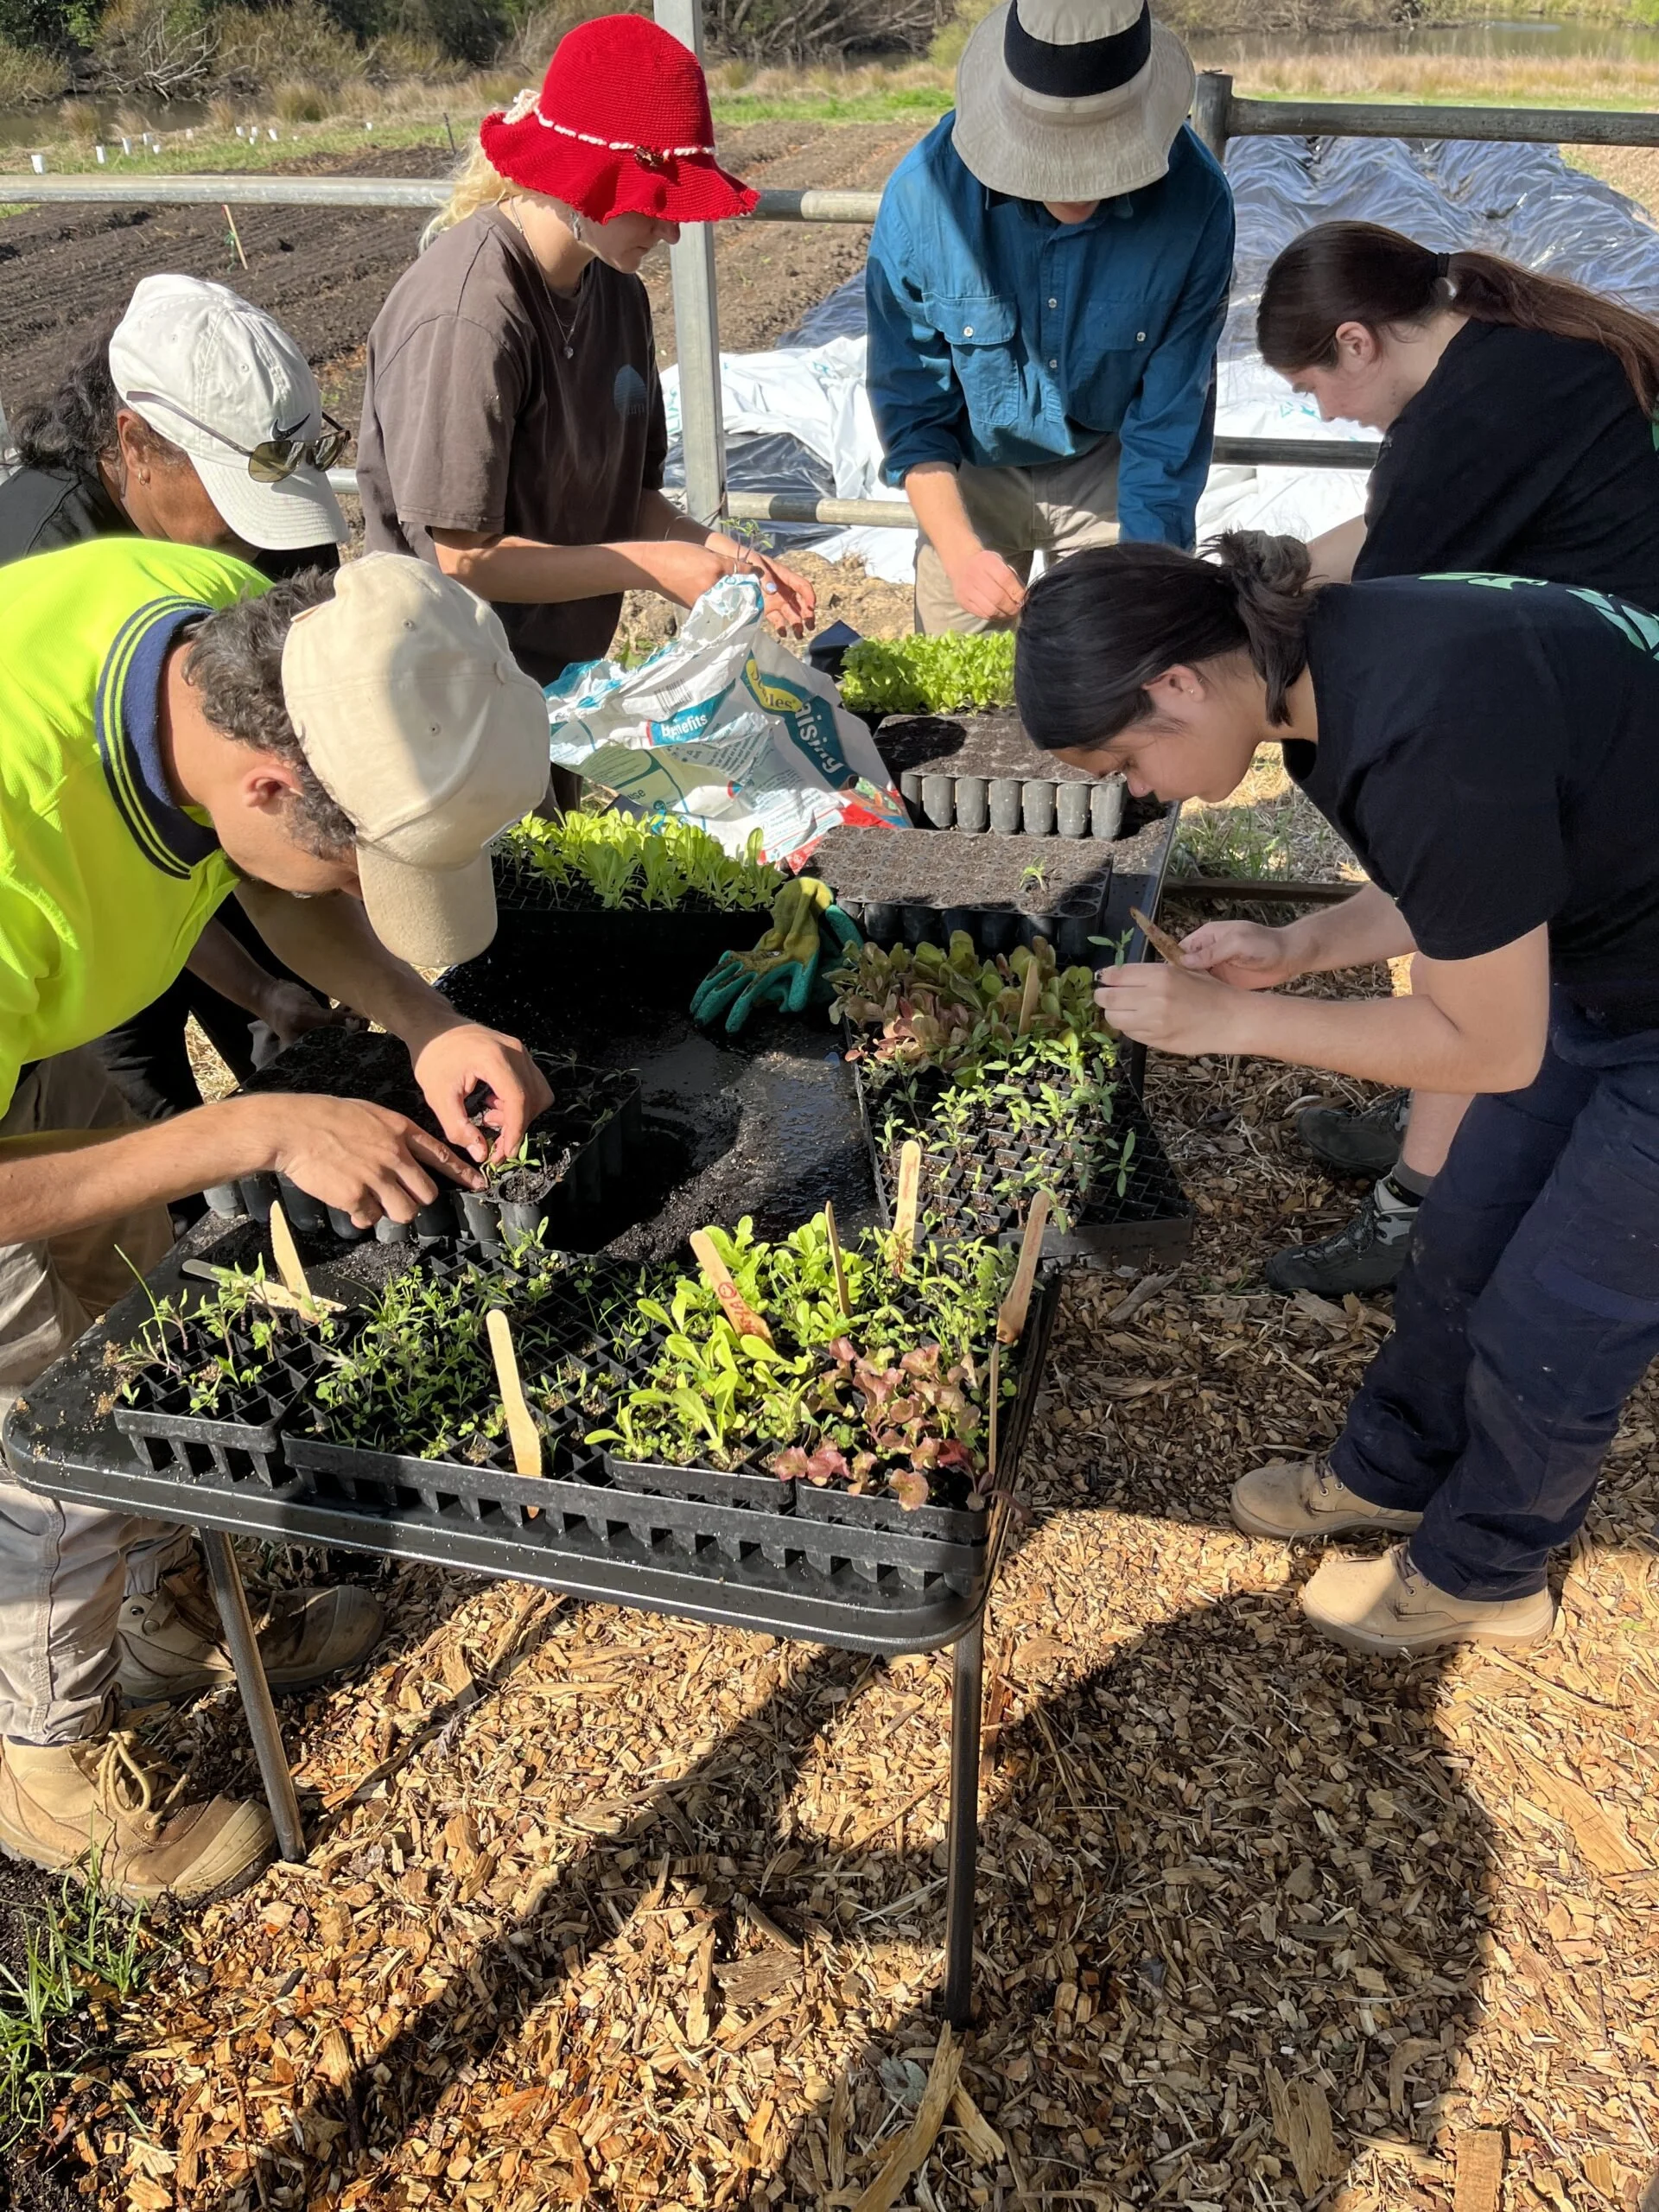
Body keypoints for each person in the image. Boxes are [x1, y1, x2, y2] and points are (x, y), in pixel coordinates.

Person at [0, 537, 551, 1897]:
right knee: (44, 1425)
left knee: (135, 1330)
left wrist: (425, 1019)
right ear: (270, 783)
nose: (363, 899)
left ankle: (165, 1624)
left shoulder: (232, 640)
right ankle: (39, 1764)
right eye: (361, 864)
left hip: (30, 1019)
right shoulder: (19, 848)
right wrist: (246, 1126)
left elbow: (261, 877)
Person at [1014, 531, 1659, 1656]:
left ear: (1176, 683)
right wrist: (1300, 944)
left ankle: (1485, 1571)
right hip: (1607, 953)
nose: (1138, 793)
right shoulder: (1319, 667)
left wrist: (1240, 1023)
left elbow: (1490, 1049)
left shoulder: (1423, 724)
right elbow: (1469, 873)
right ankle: (1393, 1470)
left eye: (1125, 762)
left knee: (1557, 1314)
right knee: (1461, 1230)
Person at [1254, 221, 1659, 1294]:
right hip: (1602, 667)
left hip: (1616, 698)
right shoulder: (1511, 348)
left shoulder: (1467, 419)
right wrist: (1251, 585)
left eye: (1311, 389)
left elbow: (1384, 595)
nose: (1324, 414)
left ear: (1356, 341)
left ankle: (1414, 1201)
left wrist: (1246, 620)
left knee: (1462, 896)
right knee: (1473, 903)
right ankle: (1445, 1114)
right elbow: (1371, 541)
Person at [356, 12, 816, 709]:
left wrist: (726, 559)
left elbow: (628, 502)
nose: (670, 230)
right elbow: (463, 556)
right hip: (448, 687)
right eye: (654, 204)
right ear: (583, 182)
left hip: (553, 679)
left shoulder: (616, 290)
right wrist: (655, 566)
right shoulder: (470, 313)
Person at [0, 276, 357, 1130]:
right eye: (237, 521)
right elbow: (82, 852)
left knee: (292, 1044)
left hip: (225, 834)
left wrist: (276, 986)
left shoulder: (244, 543)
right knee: (146, 1087)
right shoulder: (30, 555)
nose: (256, 553)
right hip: (84, 907)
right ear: (135, 442)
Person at [864, 0, 1232, 635]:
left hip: (1111, 467)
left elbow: (1167, 424)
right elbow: (914, 409)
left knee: (1119, 663)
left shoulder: (1195, 206)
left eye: (1100, 158)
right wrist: (959, 553)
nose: (1075, 184)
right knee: (951, 681)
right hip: (970, 470)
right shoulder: (925, 198)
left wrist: (1143, 584)